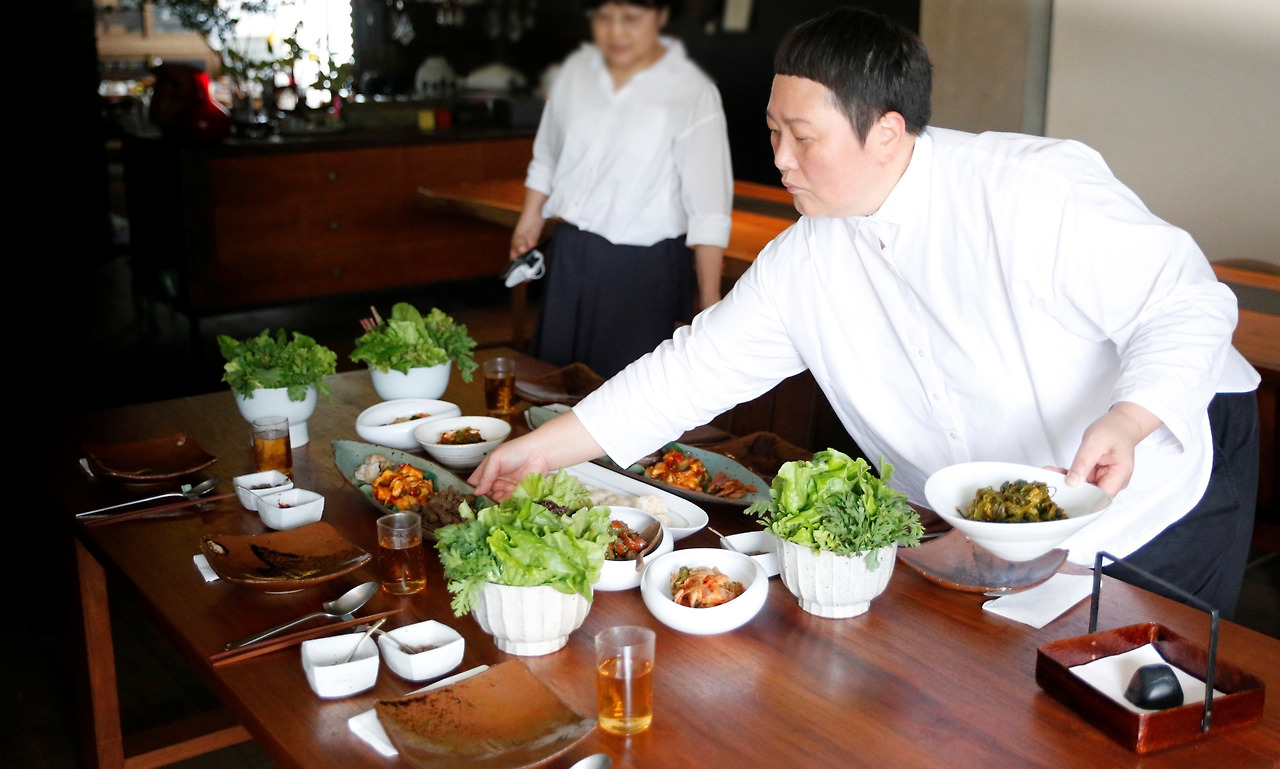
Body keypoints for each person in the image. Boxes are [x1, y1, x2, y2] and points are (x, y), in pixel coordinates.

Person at [474, 7, 1261, 618]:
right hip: (993, 525)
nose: (780, 159)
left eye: (802, 137)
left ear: (886, 133)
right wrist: (543, 451)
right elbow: (692, 371)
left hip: (1156, 481)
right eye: (774, 133)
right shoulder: (807, 257)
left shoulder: (1030, 190)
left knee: (1148, 693)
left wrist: (1129, 419)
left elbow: (1187, 304)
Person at [509, 0, 733, 379]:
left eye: (631, 18)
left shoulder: (691, 94)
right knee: (554, 389)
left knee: (628, 406)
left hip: (642, 272)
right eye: (605, 17)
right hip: (571, 255)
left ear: (660, 16)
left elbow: (709, 208)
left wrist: (709, 301)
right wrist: (530, 219)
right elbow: (547, 157)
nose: (616, 30)